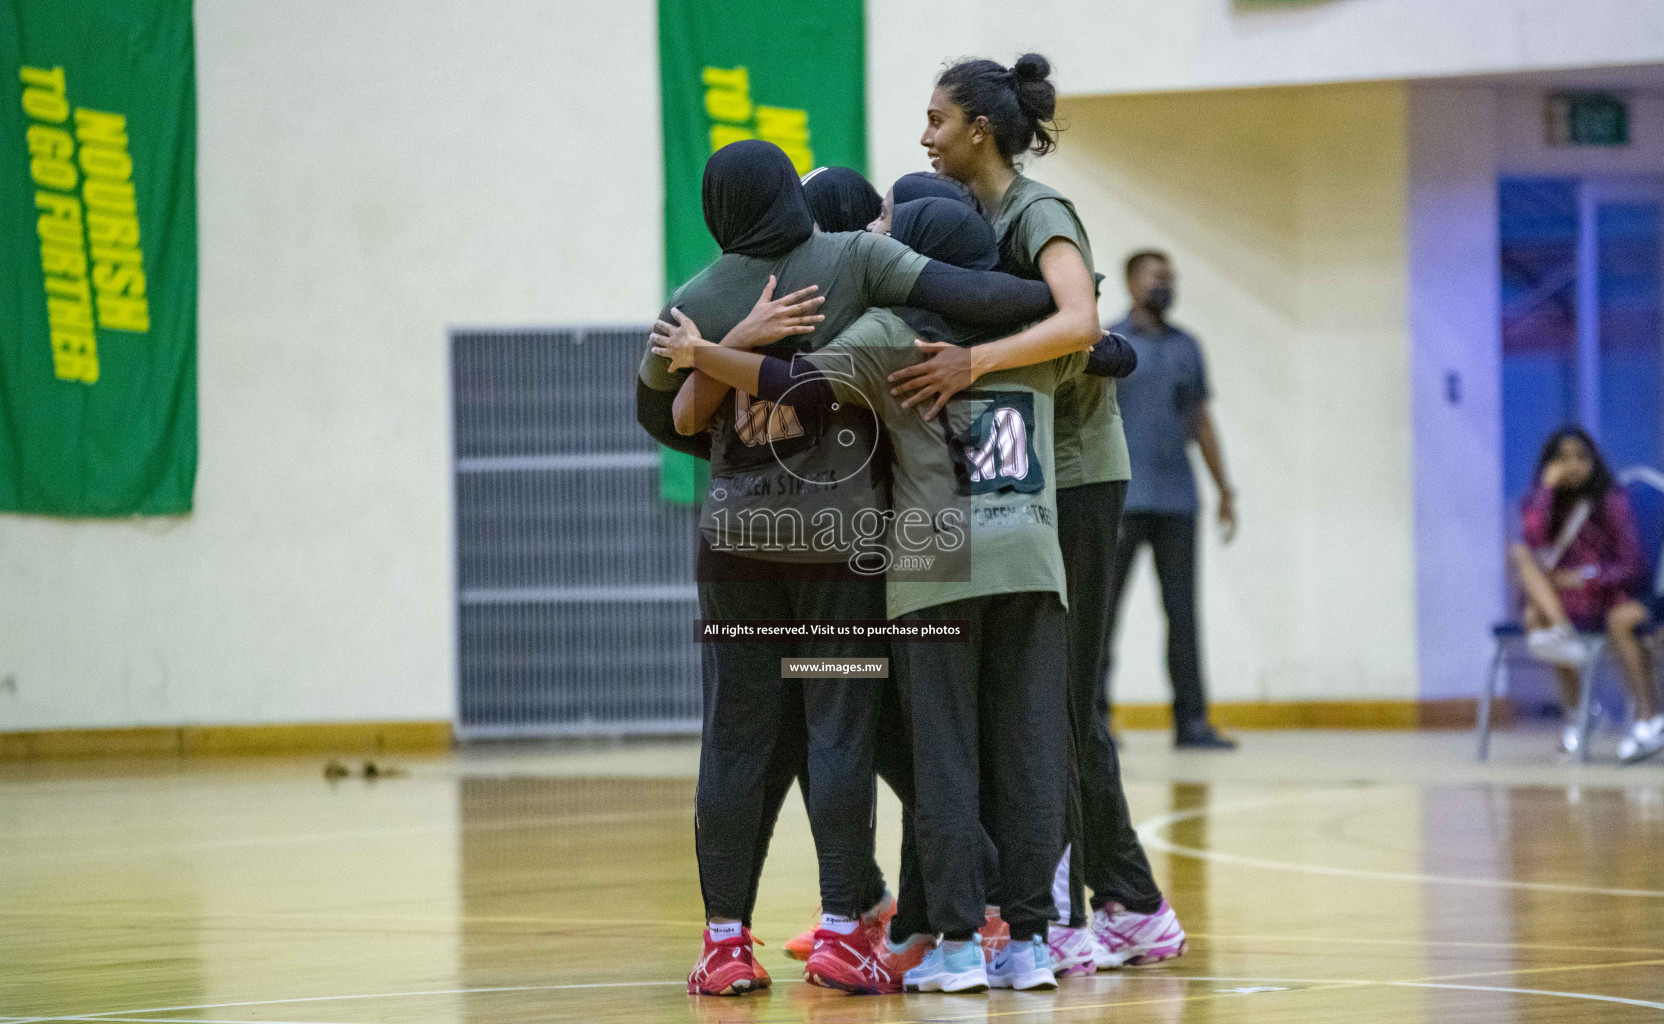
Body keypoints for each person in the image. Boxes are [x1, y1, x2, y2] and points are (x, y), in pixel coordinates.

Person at [636, 140, 1062, 998]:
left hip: (736, 552)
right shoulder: (859, 259)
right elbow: (968, 292)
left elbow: (667, 413)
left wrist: (724, 348)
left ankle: (724, 944)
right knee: (841, 728)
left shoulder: (698, 295)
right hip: (838, 544)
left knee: (735, 734)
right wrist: (1066, 298)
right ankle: (843, 929)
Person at [896, 54, 1187, 972]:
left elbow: (1081, 325)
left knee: (1057, 703)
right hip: (1023, 478)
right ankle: (1090, 904)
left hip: (1080, 474)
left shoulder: (1039, 212)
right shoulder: (969, 220)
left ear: (981, 128)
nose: (925, 134)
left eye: (937, 118)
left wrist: (969, 365)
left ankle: (1101, 907)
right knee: (1036, 704)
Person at [1104, 250, 1238, 751]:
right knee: (1105, 614)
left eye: (1172, 278)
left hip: (1178, 501)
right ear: (1131, 281)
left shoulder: (1188, 348)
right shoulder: (1106, 344)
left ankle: (1192, 723)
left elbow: (1201, 420)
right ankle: (1097, 720)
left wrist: (1224, 490)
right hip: (1120, 502)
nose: (1167, 285)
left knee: (1183, 615)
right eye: (1158, 277)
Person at [1512, 426, 1663, 764]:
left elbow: (1630, 563)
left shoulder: (1610, 500)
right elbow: (1533, 540)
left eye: (1581, 457)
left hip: (1602, 595)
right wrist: (1546, 490)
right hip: (1563, 602)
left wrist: (1583, 578)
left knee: (1538, 619)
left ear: (1594, 461)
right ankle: (1580, 707)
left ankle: (1580, 703)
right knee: (1521, 559)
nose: (1574, 465)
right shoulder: (1544, 502)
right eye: (1563, 459)